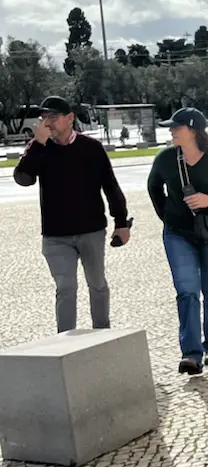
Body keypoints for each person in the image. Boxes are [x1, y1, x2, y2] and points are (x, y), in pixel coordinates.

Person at [14, 95, 131, 333]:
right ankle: (65, 341)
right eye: (44, 118)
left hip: (91, 230)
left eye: (53, 118)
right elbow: (23, 179)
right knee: (65, 287)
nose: (47, 123)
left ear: (70, 118)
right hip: (56, 236)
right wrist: (37, 145)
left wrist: (121, 223)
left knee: (97, 284)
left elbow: (110, 186)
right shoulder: (39, 148)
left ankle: (102, 332)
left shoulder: (92, 148)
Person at [147, 108, 208, 375]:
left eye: (176, 127)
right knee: (187, 291)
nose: (171, 130)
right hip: (178, 234)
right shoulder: (166, 159)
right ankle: (191, 354)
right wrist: (167, 216)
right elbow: (153, 188)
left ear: (193, 130)